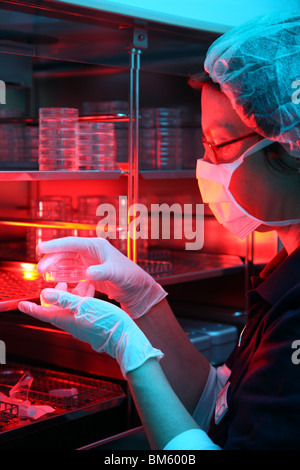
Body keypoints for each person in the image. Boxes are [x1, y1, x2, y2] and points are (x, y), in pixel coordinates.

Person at [18, 11, 300, 449]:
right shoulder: (283, 276)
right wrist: (142, 300)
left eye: (218, 144)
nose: (205, 164)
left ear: (286, 143)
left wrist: (135, 356)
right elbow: (218, 409)